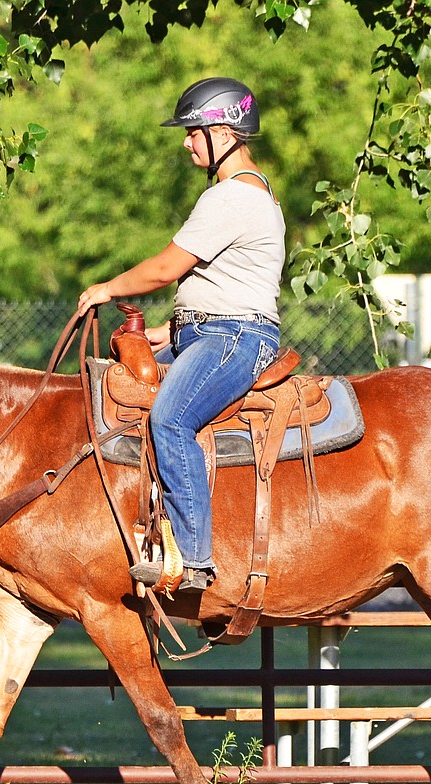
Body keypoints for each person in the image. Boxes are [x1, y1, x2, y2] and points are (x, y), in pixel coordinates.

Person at [77, 76, 285, 593]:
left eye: (194, 131)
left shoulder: (232, 197)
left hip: (234, 338)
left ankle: (193, 560)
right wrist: (166, 338)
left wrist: (107, 288)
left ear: (224, 131)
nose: (187, 141)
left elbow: (167, 268)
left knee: (170, 419)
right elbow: (220, 286)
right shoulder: (241, 194)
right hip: (210, 333)